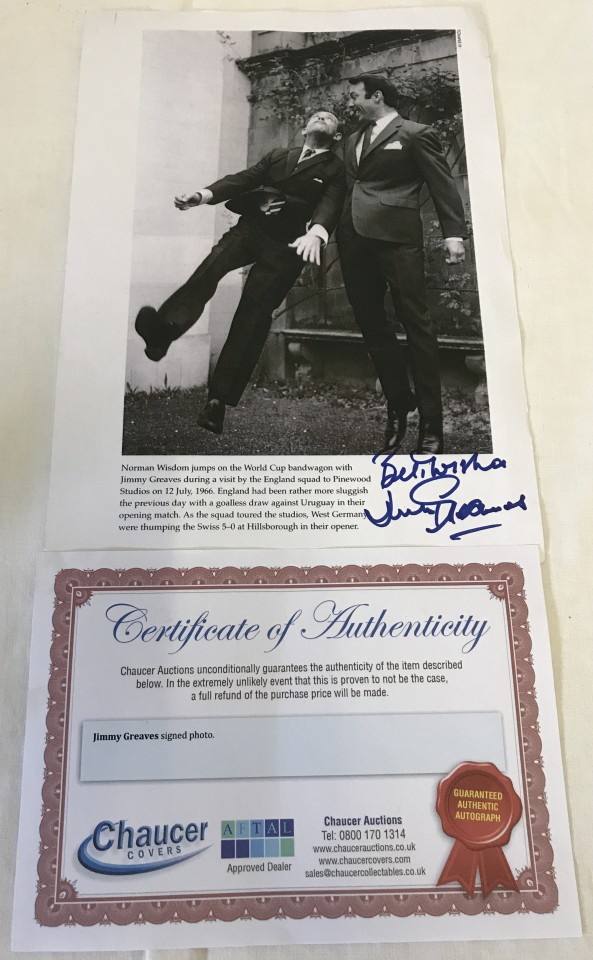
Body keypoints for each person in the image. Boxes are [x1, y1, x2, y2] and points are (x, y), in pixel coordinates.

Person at [135, 111, 345, 435]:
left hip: (287, 250)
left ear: (336, 136)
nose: (322, 117)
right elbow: (243, 179)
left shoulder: (334, 168)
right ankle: (164, 331)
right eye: (317, 115)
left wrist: (316, 232)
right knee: (209, 270)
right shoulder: (279, 155)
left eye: (329, 118)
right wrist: (202, 195)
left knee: (253, 314)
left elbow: (330, 204)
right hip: (250, 233)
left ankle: (218, 402)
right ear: (304, 128)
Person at [337, 74, 467, 454]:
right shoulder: (351, 141)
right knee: (370, 324)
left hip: (397, 240)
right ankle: (398, 403)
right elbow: (346, 188)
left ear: (376, 96)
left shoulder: (414, 133)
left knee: (417, 326)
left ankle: (432, 426)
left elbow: (442, 183)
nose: (351, 103)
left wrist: (453, 233)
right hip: (353, 241)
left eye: (355, 96)